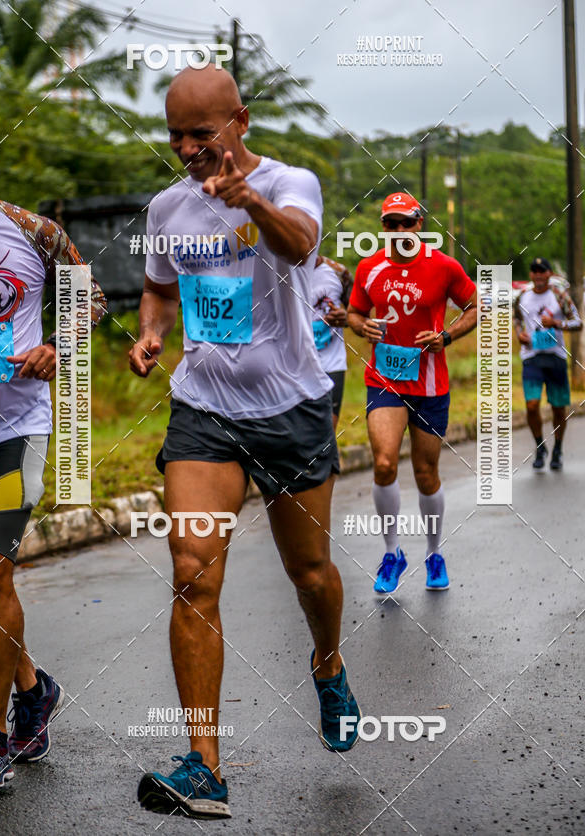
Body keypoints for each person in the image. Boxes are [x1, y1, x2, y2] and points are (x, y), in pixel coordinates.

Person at [129, 66, 360, 821]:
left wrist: (250, 201)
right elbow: (161, 288)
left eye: (202, 133)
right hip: (205, 408)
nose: (188, 149)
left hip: (291, 407)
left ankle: (327, 664)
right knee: (193, 570)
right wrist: (151, 334)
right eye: (176, 135)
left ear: (241, 121)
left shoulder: (293, 183)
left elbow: (298, 248)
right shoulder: (168, 207)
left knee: (312, 572)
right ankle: (204, 767)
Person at [0, 121, 107, 789]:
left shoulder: (33, 232)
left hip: (14, 432)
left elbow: (89, 296)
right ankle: (33, 690)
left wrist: (59, 345)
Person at [347, 192, 477, 594]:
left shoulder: (444, 266)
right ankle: (392, 553)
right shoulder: (369, 267)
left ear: (420, 224)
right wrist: (360, 326)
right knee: (385, 464)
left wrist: (446, 335)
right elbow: (355, 311)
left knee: (426, 474)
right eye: (391, 224)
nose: (400, 230)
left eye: (407, 222)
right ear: (383, 227)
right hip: (385, 379)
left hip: (431, 383)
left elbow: (475, 306)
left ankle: (434, 553)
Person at [513, 257, 582, 471]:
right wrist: (519, 334)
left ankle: (558, 448)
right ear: (531, 275)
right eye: (534, 271)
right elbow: (516, 319)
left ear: (549, 274)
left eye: (542, 271)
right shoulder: (523, 296)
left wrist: (556, 323)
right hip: (532, 357)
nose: (538, 275)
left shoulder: (559, 296)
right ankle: (540, 447)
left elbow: (578, 323)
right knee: (531, 405)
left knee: (558, 407)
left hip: (555, 357)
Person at [311, 255, 352, 428]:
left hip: (331, 364)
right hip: (290, 366)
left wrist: (346, 318)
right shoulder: (279, 270)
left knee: (325, 435)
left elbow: (360, 315)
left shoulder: (339, 273)